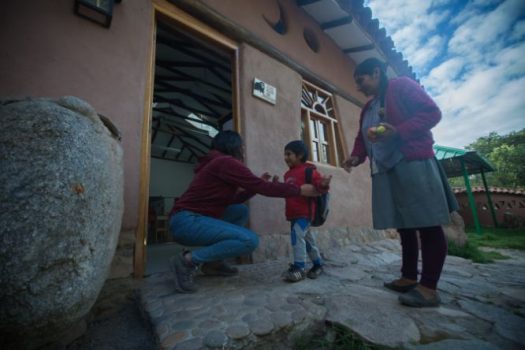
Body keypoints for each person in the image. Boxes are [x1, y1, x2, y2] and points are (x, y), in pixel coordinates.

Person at [343, 58, 458, 307]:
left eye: (361, 80)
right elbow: (362, 138)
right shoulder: (368, 108)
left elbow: (432, 113)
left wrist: (399, 130)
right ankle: (408, 277)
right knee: (405, 225)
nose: (359, 87)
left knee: (428, 224)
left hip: (413, 162)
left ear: (375, 73)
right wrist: (355, 157)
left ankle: (429, 288)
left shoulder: (401, 86)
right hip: (386, 169)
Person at [168, 130, 320, 293]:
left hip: (187, 219)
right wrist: (298, 190)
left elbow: (232, 200)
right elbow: (263, 188)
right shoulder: (225, 162)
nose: (243, 150)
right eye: (241, 146)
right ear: (233, 146)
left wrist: (257, 186)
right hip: (187, 221)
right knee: (249, 241)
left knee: (239, 211)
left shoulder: (216, 163)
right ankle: (188, 261)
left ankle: (214, 264)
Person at [278, 141, 331, 282]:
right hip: (293, 215)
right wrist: (277, 186)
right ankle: (318, 264)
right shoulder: (287, 174)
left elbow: (319, 185)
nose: (285, 157)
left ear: (300, 155)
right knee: (307, 241)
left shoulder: (309, 171)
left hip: (305, 214)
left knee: (296, 236)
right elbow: (288, 191)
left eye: (288, 154)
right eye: (285, 154)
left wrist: (324, 184)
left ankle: (299, 268)